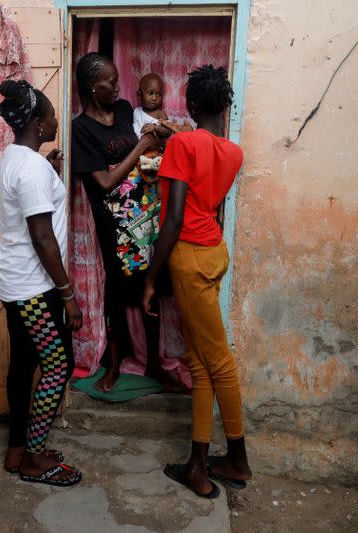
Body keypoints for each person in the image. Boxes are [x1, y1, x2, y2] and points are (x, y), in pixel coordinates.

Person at [143, 65, 252, 499]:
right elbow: (204, 171)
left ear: (189, 106)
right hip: (214, 252)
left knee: (218, 360)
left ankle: (238, 459)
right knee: (200, 361)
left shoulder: (182, 145)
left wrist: (151, 278)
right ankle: (197, 463)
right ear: (224, 108)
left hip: (187, 256)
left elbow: (171, 220)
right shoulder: (233, 152)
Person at [71, 53, 182, 393]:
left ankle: (155, 364)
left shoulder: (122, 112)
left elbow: (151, 137)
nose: (119, 88)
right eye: (111, 83)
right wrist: (141, 148)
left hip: (146, 216)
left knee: (154, 287)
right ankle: (114, 366)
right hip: (115, 226)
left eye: (118, 80)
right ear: (93, 87)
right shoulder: (81, 129)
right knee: (118, 294)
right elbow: (103, 183)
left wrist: (158, 137)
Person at [0, 79, 82, 487]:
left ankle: (17, 449)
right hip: (33, 287)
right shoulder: (30, 168)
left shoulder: (15, 158)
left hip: (15, 279)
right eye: (51, 114)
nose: (56, 118)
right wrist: (68, 295)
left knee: (25, 363)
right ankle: (32, 457)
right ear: (39, 124)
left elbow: (35, 201)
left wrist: (52, 170)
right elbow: (42, 237)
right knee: (59, 366)